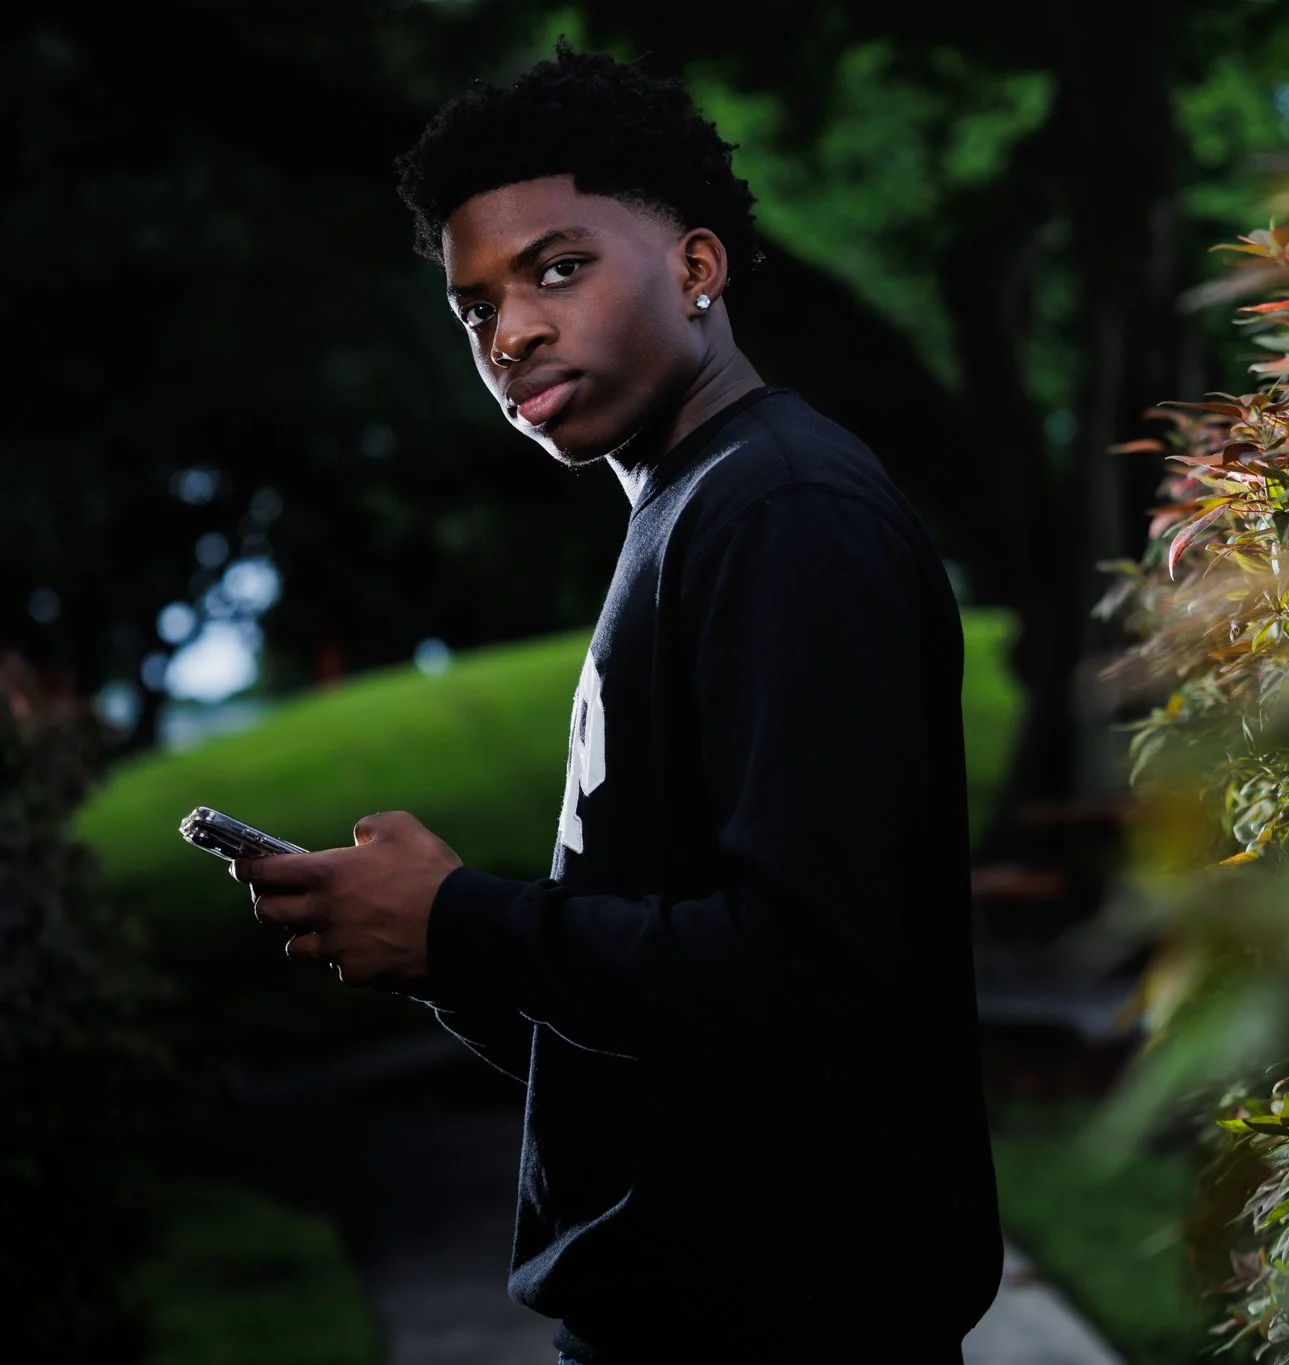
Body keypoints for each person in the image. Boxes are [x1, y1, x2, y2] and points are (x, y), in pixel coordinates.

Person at [232, 42, 1002, 1364]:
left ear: (697, 269)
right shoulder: (697, 504)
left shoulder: (784, 515)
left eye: (559, 268)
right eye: (475, 306)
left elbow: (810, 977)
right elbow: (670, 1020)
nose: (512, 331)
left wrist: (469, 926)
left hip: (787, 1324)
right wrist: (436, 949)